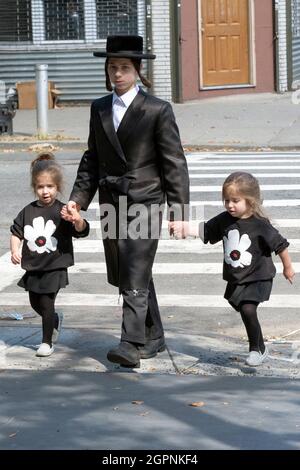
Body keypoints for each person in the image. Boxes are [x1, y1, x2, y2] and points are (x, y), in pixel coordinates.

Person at [64, 35, 189, 368]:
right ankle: (155, 334)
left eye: (124, 68)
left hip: (145, 198)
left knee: (134, 267)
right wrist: (78, 200)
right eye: (112, 67)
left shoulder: (157, 110)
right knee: (128, 270)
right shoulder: (99, 108)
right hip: (110, 199)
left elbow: (174, 162)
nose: (117, 74)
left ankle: (130, 344)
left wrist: (178, 211)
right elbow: (92, 157)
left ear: (137, 71)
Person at [170, 172, 295, 367]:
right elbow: (207, 230)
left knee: (247, 308)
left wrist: (288, 268)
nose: (230, 205)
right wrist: (185, 228)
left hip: (259, 276)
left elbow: (281, 245)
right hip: (237, 277)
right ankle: (260, 345)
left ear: (250, 201)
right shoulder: (224, 219)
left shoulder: (260, 224)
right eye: (226, 200)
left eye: (235, 201)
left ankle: (257, 349)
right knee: (240, 306)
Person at [10, 153, 89, 357]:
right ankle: (53, 319)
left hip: (55, 266)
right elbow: (16, 232)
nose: (45, 192)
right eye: (40, 187)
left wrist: (77, 219)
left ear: (57, 187)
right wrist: (14, 249)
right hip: (34, 266)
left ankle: (46, 342)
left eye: (50, 187)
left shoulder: (62, 210)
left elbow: (81, 230)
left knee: (46, 303)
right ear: (34, 188)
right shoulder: (28, 211)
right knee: (35, 302)